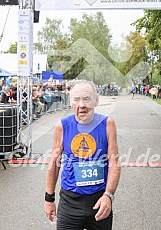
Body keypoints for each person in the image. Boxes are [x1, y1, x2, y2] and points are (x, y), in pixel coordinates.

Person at [44, 80, 121, 230]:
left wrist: (108, 195)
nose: (82, 105)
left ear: (96, 101)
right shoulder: (63, 126)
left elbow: (114, 163)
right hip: (70, 202)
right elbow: (54, 164)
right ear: (71, 102)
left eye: (87, 99)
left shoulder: (107, 124)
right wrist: (49, 198)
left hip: (100, 200)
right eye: (77, 99)